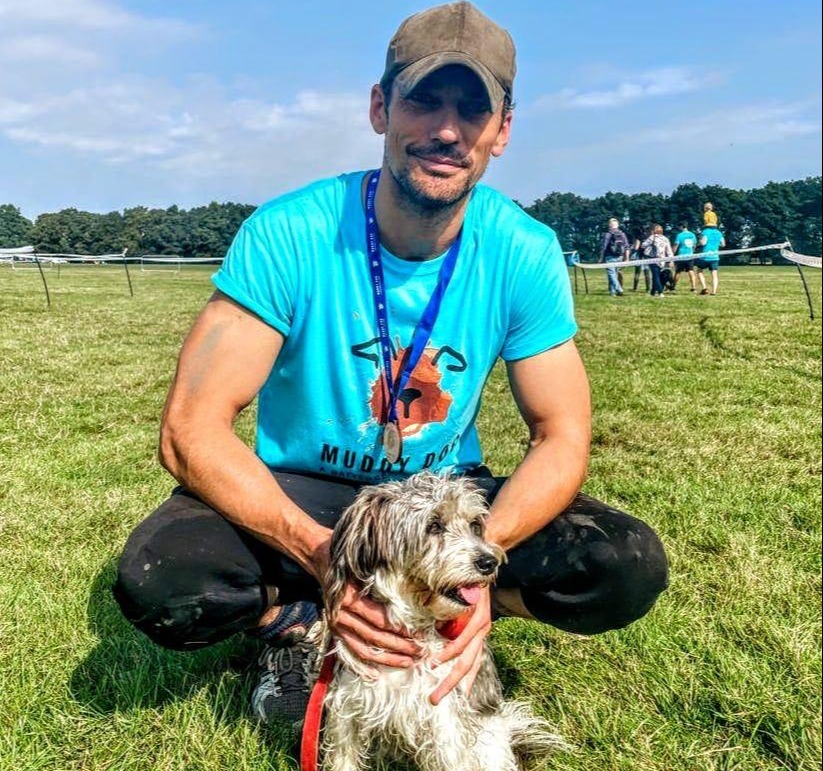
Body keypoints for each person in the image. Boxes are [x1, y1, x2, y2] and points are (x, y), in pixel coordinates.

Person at [113, 1, 668, 731]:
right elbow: (190, 430)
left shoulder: (521, 250)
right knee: (163, 577)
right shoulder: (290, 231)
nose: (445, 129)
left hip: (440, 494)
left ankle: (442, 607)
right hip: (306, 488)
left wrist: (478, 556)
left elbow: (560, 433)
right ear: (380, 107)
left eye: (472, 109)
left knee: (622, 564)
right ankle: (292, 623)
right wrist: (328, 559)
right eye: (422, 99)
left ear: (501, 131)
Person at [598, 217, 630, 296]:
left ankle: (618, 288)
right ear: (617, 225)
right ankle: (613, 292)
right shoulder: (622, 234)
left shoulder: (607, 234)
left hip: (610, 256)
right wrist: (627, 258)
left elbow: (603, 247)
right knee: (614, 273)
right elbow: (627, 247)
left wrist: (601, 258)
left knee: (611, 273)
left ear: (609, 225)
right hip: (620, 256)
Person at [641, 224, 674, 297]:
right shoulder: (665, 239)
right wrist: (671, 260)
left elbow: (643, 245)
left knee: (655, 275)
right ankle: (653, 292)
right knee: (656, 275)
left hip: (653, 259)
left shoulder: (652, 237)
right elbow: (669, 251)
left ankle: (660, 292)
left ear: (654, 231)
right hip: (662, 260)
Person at [696, 219, 726, 295]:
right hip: (715, 256)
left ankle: (704, 288)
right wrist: (715, 245)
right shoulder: (719, 233)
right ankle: (714, 291)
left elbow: (703, 243)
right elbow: (723, 244)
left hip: (705, 256)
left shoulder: (705, 232)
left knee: (699, 271)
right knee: (714, 274)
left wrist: (699, 243)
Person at [673, 222, 698, 291]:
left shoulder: (679, 235)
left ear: (681, 227)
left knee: (678, 272)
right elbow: (694, 245)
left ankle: (673, 286)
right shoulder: (692, 235)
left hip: (681, 256)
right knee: (691, 271)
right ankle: (693, 287)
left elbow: (676, 245)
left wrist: (672, 253)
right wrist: (692, 251)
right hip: (690, 255)